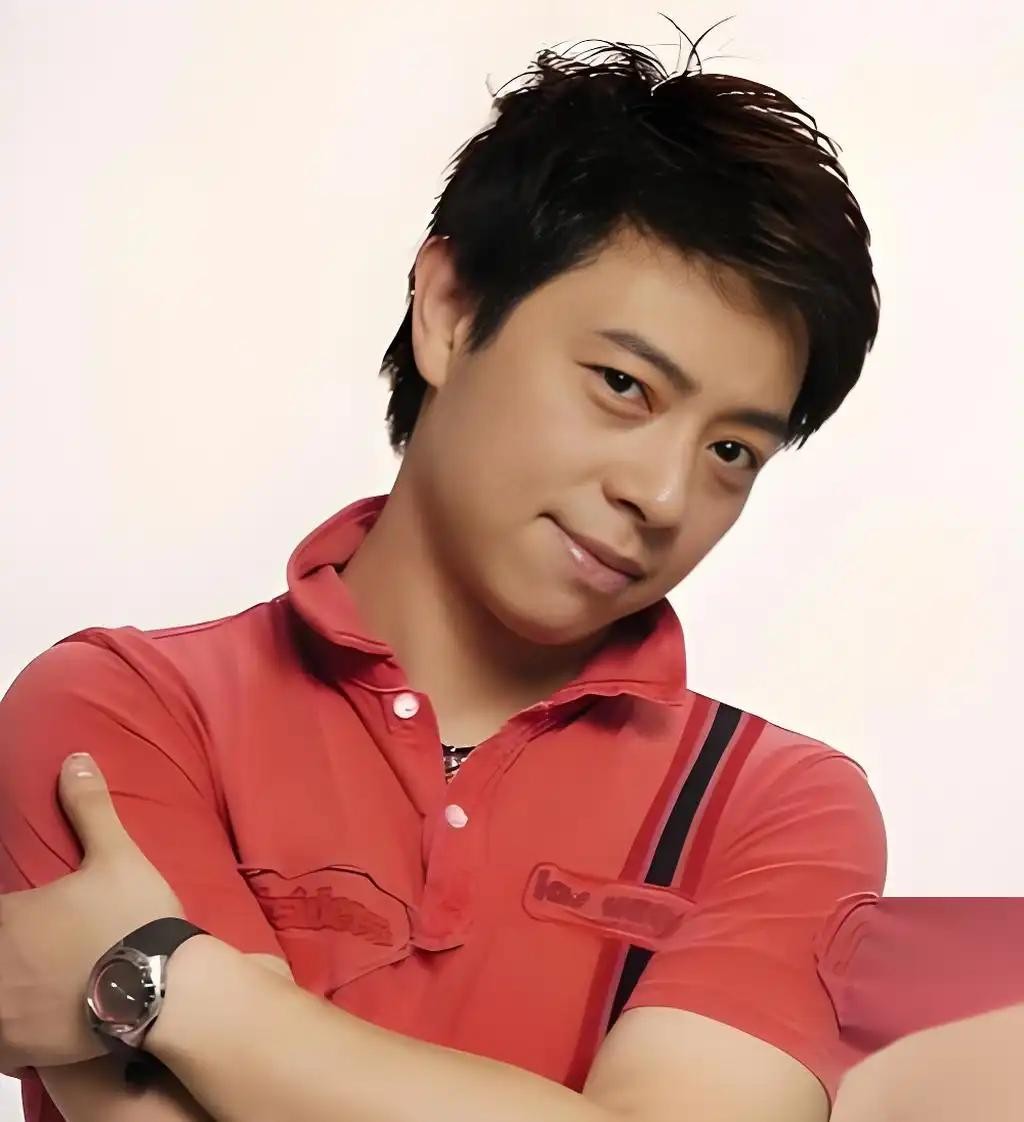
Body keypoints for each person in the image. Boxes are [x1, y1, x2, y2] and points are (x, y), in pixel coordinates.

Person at [0, 35, 883, 1122]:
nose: (662, 494)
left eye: (731, 451)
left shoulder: (775, 806)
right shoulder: (122, 711)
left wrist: (174, 986)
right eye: (623, 385)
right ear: (451, 312)